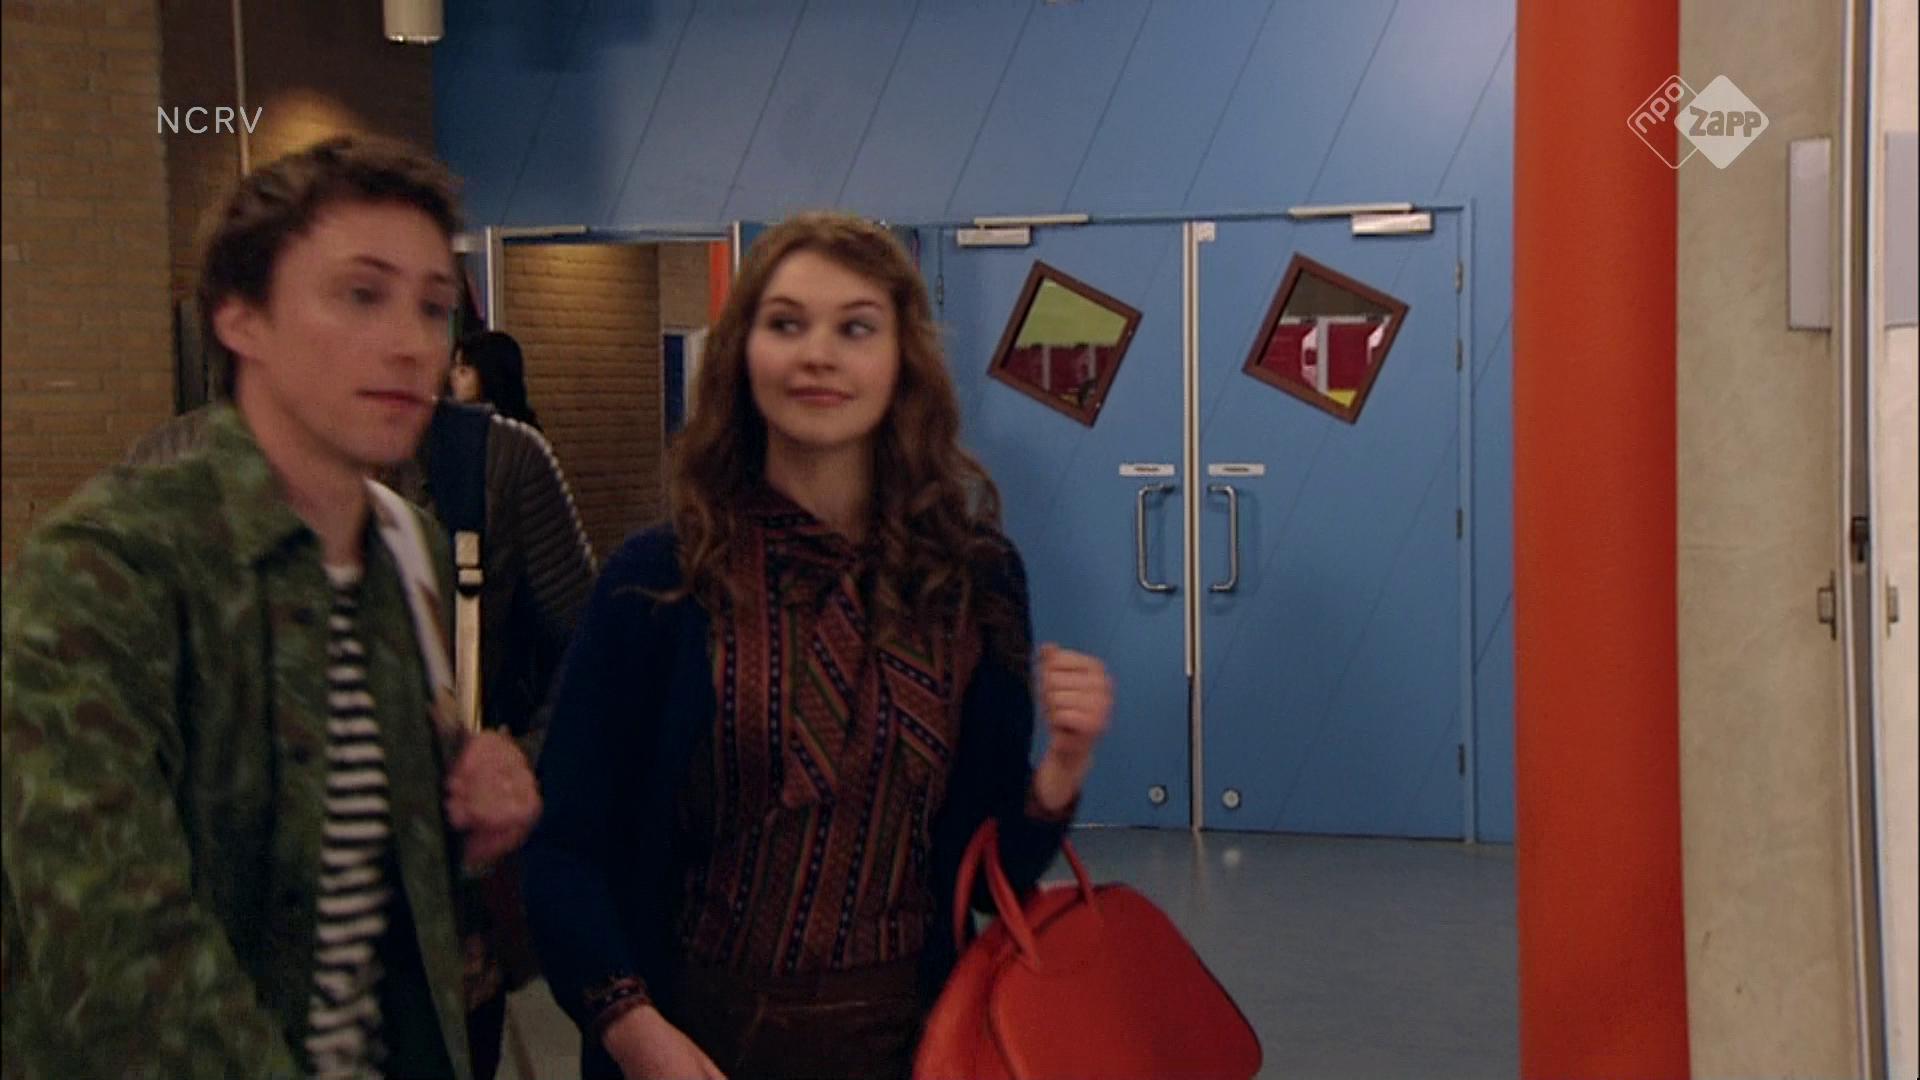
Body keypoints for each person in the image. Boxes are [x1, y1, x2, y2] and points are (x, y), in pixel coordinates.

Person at [522, 212, 1117, 1080]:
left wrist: (1063, 765)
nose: (819, 355)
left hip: (908, 1045)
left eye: (856, 328)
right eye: (786, 323)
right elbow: (563, 848)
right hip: (693, 1042)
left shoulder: (971, 580)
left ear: (903, 360)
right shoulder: (659, 581)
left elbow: (988, 873)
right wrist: (630, 1027)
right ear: (742, 353)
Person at [0, 135, 542, 1079]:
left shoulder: (402, 551)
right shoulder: (109, 570)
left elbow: (384, 914)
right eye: (361, 294)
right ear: (241, 316)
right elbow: (124, 967)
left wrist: (478, 802)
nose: (412, 342)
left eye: (433, 307)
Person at [124, 382, 597, 1080]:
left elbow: (588, 655)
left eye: (426, 322)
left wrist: (515, 764)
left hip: (431, 932)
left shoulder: (467, 484)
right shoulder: (171, 472)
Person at [451, 329, 543, 430]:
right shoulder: (458, 424)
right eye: (454, 367)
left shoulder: (518, 433)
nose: (453, 375)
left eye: (463, 371)